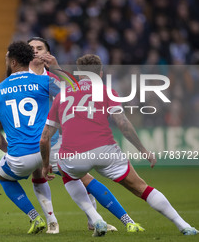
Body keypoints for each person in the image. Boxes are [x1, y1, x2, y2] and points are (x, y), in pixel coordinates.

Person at [40, 54, 198, 236]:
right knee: (142, 188)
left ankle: (96, 219)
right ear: (100, 73)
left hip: (73, 155)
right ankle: (184, 226)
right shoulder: (107, 91)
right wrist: (143, 150)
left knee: (68, 175)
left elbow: (44, 138)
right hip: (105, 150)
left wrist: (45, 165)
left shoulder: (62, 96)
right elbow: (123, 124)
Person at [28, 37, 143, 232]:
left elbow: (77, 91)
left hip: (51, 141)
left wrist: (56, 68)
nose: (36, 52)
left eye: (41, 48)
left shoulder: (52, 80)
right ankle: (55, 222)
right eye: (32, 49)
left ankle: (97, 220)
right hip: (29, 142)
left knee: (80, 177)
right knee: (43, 175)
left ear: (49, 53)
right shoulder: (18, 79)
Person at [0, 41, 73, 234]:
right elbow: (73, 94)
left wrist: (9, 150)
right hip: (48, 150)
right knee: (80, 176)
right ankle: (95, 218)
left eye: (7, 59)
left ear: (14, 62)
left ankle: (36, 217)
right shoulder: (44, 81)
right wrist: (57, 69)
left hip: (20, 157)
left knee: (3, 176)